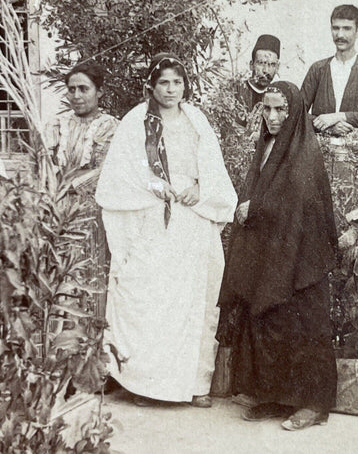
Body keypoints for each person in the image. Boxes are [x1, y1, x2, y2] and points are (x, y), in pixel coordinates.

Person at [95, 53, 237, 405]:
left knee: (194, 302)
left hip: (190, 219)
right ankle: (148, 383)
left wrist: (200, 189)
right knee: (150, 298)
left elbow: (214, 171)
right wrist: (154, 186)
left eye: (177, 82)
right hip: (151, 219)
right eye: (164, 83)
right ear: (152, 86)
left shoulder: (196, 121)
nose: (171, 89)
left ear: (185, 85)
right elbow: (120, 174)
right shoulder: (136, 122)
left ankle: (194, 384)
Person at [217, 81, 338, 430]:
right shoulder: (268, 147)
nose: (272, 117)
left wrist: (256, 208)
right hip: (271, 254)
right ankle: (272, 396)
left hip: (301, 261)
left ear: (294, 112)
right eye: (267, 109)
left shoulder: (304, 152)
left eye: (280, 110)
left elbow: (298, 202)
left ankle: (312, 405)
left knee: (302, 326)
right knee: (269, 318)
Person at [300, 4, 358, 136]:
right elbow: (298, 113)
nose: (340, 34)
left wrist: (341, 116)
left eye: (347, 29)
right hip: (319, 148)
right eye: (336, 28)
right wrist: (328, 128)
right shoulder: (318, 69)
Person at [46, 62, 118, 194]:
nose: (76, 96)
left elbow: (106, 171)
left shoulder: (110, 127)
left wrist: (66, 183)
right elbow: (42, 165)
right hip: (54, 201)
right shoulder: (56, 125)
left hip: (96, 202)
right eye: (71, 89)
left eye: (83, 89)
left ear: (99, 92)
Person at [235, 34, 281, 139]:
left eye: (272, 65)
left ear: (277, 68)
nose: (266, 70)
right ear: (251, 65)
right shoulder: (236, 90)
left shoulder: (279, 96)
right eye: (261, 63)